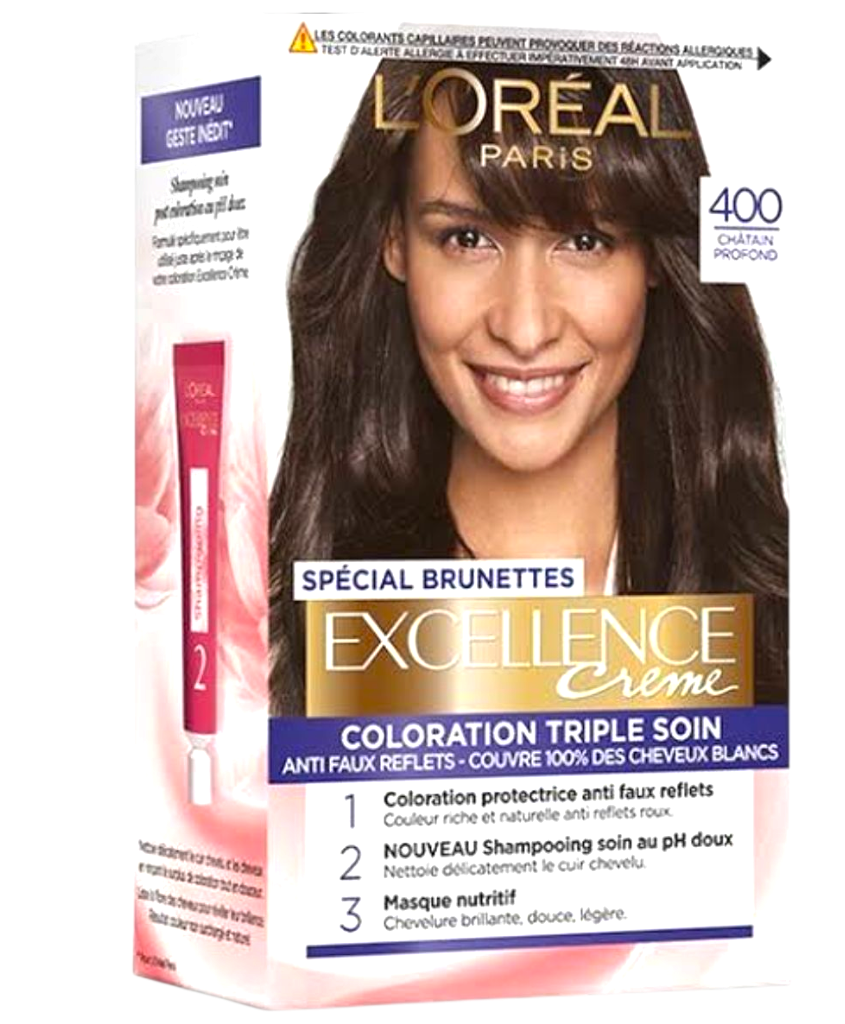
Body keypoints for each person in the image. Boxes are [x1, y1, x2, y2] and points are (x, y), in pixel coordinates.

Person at [269, 60, 788, 715]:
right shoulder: (271, 640)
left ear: (656, 256)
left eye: (585, 240)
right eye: (466, 238)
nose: (524, 329)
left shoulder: (780, 621)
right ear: (394, 240)